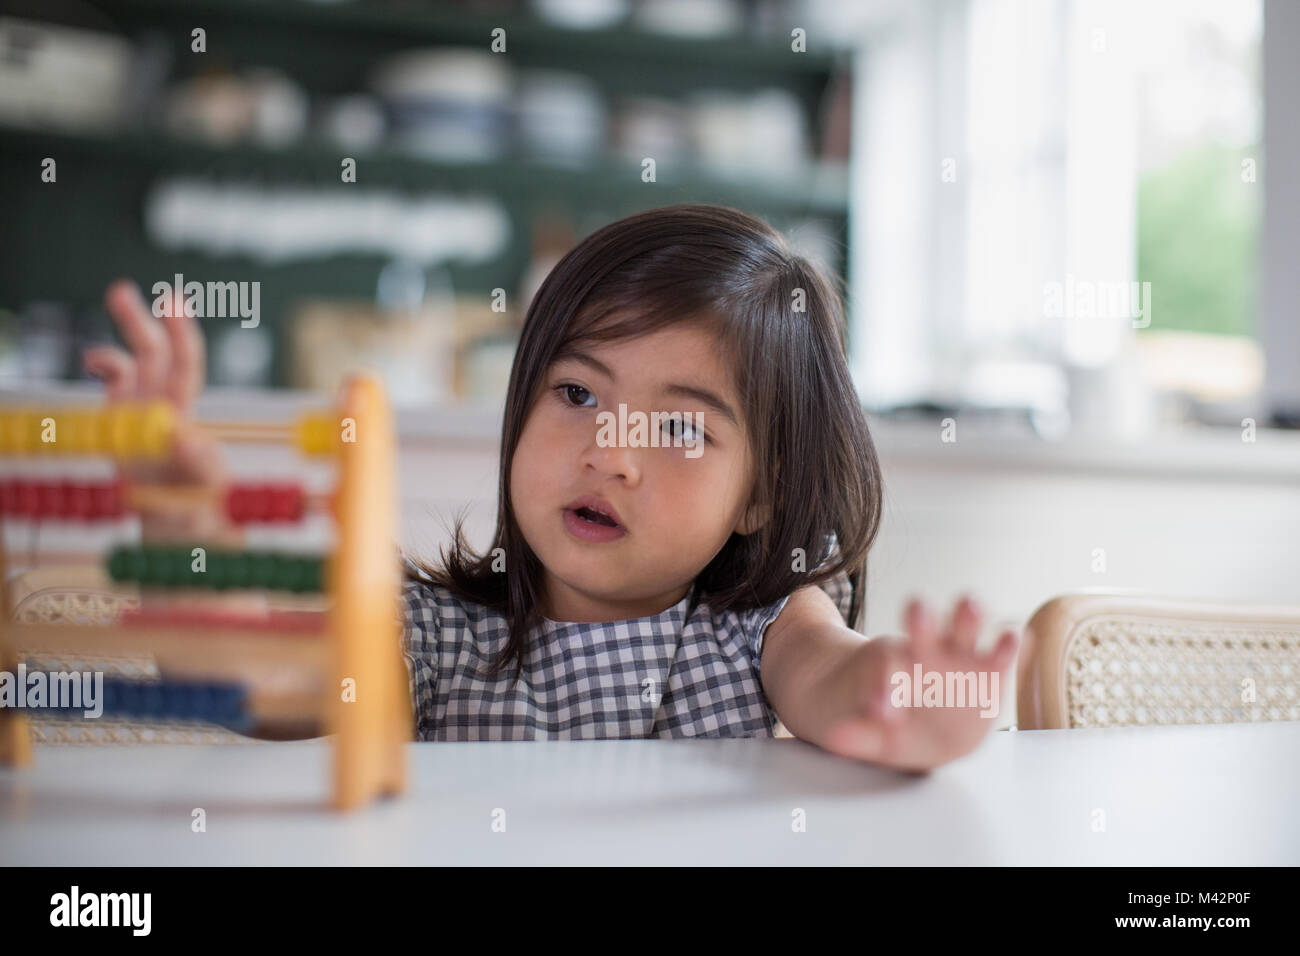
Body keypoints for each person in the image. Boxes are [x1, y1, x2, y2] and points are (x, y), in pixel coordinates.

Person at [84, 203, 1018, 771]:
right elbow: (258, 687)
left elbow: (838, 680)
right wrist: (185, 526)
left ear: (760, 497)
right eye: (577, 393)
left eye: (679, 427)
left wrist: (906, 699)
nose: (611, 452)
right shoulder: (427, 634)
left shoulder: (763, 629)